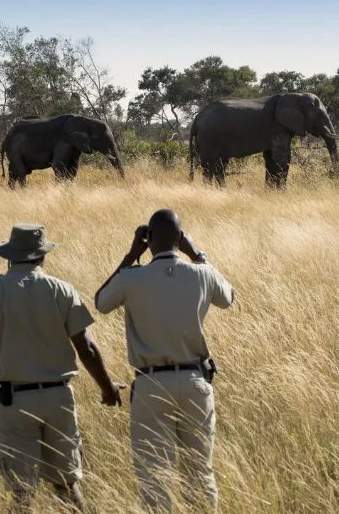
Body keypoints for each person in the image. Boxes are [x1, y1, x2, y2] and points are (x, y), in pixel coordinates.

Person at [0, 223, 125, 512]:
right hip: (58, 398)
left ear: (9, 256)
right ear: (42, 256)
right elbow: (86, 348)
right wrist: (108, 388)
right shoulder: (62, 289)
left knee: (22, 494)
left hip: (14, 401)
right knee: (66, 485)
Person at [95, 209, 234, 513]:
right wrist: (197, 254)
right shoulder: (202, 273)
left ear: (149, 239)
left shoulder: (132, 278)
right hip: (195, 381)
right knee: (200, 473)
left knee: (154, 479)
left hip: (151, 383)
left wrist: (131, 255)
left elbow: (101, 301)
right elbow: (228, 297)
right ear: (180, 239)